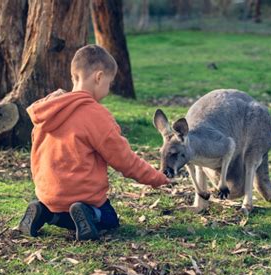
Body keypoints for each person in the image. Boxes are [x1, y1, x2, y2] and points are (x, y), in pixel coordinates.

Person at [18, 44, 170, 241]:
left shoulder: (48, 111)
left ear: (74, 77)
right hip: (84, 196)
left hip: (48, 193)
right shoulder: (96, 115)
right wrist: (155, 178)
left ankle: (46, 213)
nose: (108, 88)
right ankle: (89, 213)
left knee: (62, 209)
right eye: (109, 82)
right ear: (99, 77)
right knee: (109, 219)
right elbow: (124, 159)